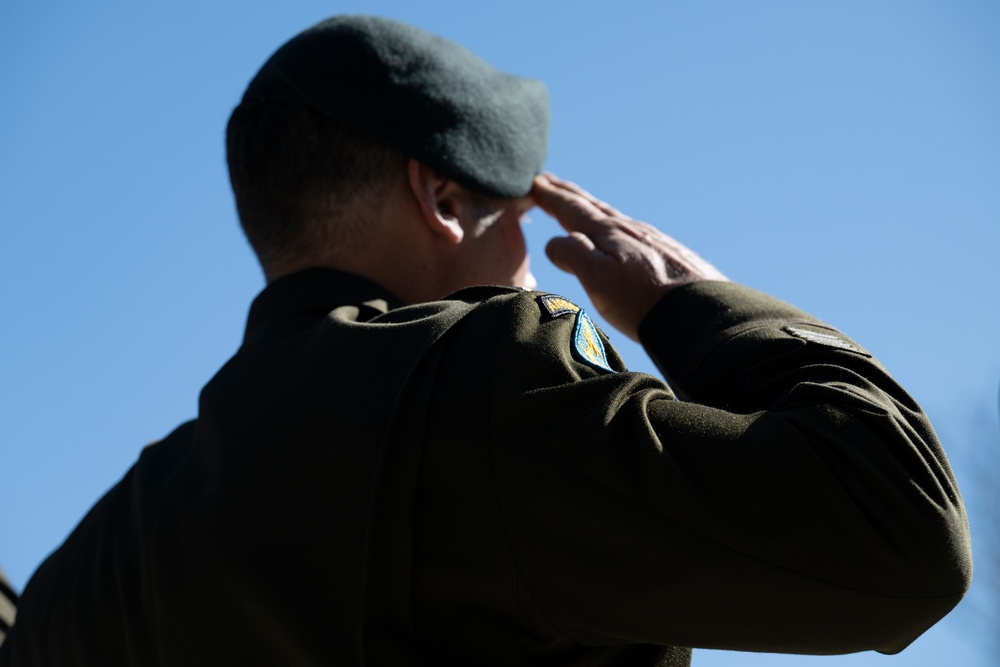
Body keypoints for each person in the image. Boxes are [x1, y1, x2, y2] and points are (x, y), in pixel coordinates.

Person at [0, 15, 971, 666]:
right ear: (443, 195)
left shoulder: (80, 585)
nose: (533, 259)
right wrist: (690, 304)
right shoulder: (474, 384)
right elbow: (899, 530)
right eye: (521, 213)